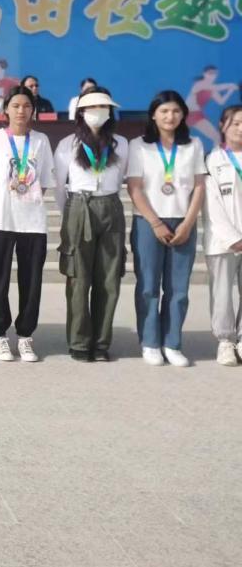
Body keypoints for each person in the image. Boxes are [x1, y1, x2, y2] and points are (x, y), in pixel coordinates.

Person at [0, 85, 55, 363]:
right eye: (16, 105)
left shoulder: (41, 141)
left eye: (27, 106)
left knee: (31, 281)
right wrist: (1, 201)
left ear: (33, 110)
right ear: (6, 109)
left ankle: (26, 335)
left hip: (33, 222)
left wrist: (26, 199)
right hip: (1, 220)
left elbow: (44, 181)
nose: (21, 111)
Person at [127, 90, 206, 367]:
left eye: (175, 111)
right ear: (153, 115)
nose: (169, 116)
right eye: (164, 111)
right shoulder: (139, 145)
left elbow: (199, 186)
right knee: (148, 286)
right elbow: (135, 188)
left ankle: (172, 343)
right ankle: (150, 342)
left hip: (183, 221)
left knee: (178, 288)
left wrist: (188, 223)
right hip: (148, 222)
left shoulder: (193, 145)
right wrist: (156, 223)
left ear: (183, 114)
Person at [53, 89, 128, 362]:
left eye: (104, 107)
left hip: (110, 206)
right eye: (93, 107)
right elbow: (59, 187)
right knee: (78, 278)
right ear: (81, 113)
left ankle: (101, 343)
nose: (99, 112)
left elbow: (122, 178)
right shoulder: (68, 145)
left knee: (109, 279)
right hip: (79, 206)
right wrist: (70, 215)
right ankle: (79, 342)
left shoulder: (121, 144)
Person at [203, 106, 242, 366]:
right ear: (222, 125)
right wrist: (233, 238)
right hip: (222, 241)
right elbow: (212, 204)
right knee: (222, 294)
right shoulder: (212, 160)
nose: (241, 128)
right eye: (236, 123)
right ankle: (225, 341)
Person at [186, 66, 238, 144]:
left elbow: (221, 101)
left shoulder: (212, 89)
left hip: (196, 115)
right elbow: (218, 87)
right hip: (185, 114)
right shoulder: (199, 84)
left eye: (214, 74)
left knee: (217, 137)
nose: (212, 75)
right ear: (204, 74)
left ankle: (216, 152)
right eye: (210, 73)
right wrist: (231, 85)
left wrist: (230, 90)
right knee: (177, 137)